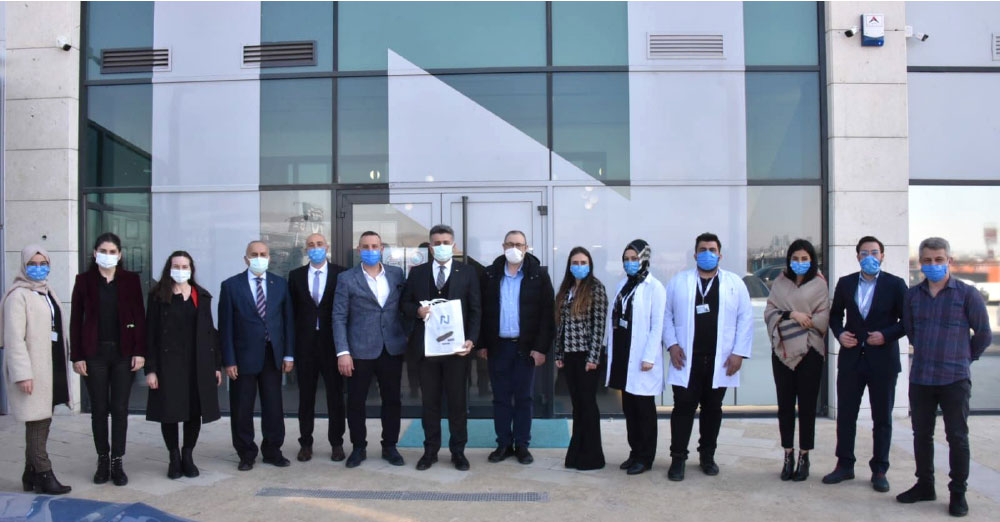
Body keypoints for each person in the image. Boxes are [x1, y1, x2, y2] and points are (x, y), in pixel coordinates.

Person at [898, 237, 991, 517]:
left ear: (949, 261)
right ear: (920, 263)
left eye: (939, 260)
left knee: (957, 437)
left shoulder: (967, 294)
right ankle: (925, 485)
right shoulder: (912, 296)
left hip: (954, 379)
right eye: (928, 260)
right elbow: (911, 332)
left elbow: (984, 334)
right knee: (921, 435)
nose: (933, 264)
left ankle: (958, 493)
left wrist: (964, 358)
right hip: (922, 378)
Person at [662, 232, 752, 481]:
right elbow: (666, 315)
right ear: (695, 254)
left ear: (720, 255)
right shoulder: (679, 281)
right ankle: (678, 458)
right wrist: (672, 345)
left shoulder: (734, 283)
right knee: (683, 409)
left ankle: (707, 456)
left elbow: (745, 318)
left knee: (713, 409)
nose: (707, 254)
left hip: (719, 360)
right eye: (703, 250)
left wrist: (738, 353)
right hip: (686, 359)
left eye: (712, 250)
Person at [822, 236, 907, 493]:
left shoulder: (895, 284)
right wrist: (840, 334)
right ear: (857, 256)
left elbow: (907, 321)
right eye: (864, 253)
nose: (869, 257)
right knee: (846, 415)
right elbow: (835, 316)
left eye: (874, 252)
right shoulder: (846, 283)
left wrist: (886, 335)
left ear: (882, 256)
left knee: (882, 417)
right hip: (851, 360)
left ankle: (879, 469)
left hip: (883, 361)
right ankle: (844, 464)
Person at [401, 225, 482, 471]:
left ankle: (458, 452)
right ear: (430, 247)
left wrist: (472, 339)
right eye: (437, 243)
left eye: (446, 242)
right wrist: (417, 310)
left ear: (453, 245)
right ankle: (430, 451)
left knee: (457, 404)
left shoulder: (467, 272)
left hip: (456, 351)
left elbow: (476, 310)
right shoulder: (417, 273)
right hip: (427, 351)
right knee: (430, 404)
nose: (441, 246)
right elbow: (404, 303)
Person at [70, 232, 146, 486]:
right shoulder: (83, 281)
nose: (108, 255)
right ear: (95, 253)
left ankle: (117, 461)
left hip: (124, 353)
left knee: (120, 409)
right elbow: (75, 320)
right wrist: (77, 356)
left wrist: (140, 351)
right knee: (99, 409)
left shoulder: (131, 280)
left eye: (112, 252)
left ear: (120, 255)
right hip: (94, 354)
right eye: (103, 251)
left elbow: (139, 316)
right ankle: (103, 459)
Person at [333, 231, 408, 468]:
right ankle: (359, 447)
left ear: (382, 248)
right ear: (359, 250)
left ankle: (390, 446)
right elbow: (339, 316)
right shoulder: (346, 278)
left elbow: (403, 307)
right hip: (359, 350)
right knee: (356, 402)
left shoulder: (396, 274)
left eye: (375, 246)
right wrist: (343, 352)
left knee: (392, 400)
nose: (370, 250)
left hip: (391, 348)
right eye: (365, 247)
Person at [479, 230, 554, 465]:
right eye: (510, 244)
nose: (514, 248)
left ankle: (522, 445)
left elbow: (547, 316)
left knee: (524, 398)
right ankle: (503, 443)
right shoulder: (490, 274)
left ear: (526, 247)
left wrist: (541, 348)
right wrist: (482, 343)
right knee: (500, 398)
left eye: (519, 244)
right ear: (503, 247)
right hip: (498, 347)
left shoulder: (538, 275)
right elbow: (481, 311)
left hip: (525, 348)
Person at [2, 245, 73, 494]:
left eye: (43, 263)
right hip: (33, 370)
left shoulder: (46, 291)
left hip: (50, 366)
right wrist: (22, 374)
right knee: (37, 421)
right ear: (24, 265)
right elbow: (14, 339)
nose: (39, 268)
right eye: (33, 263)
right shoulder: (17, 296)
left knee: (43, 419)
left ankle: (29, 473)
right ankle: (44, 473)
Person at [145, 251, 222, 479]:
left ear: (191, 269)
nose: (180, 270)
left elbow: (210, 332)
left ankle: (188, 454)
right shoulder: (158, 296)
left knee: (193, 412)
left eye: (184, 266)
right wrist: (151, 369)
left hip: (197, 363)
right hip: (168, 365)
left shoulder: (201, 296)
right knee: (169, 412)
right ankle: (174, 456)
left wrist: (216, 365)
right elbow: (150, 334)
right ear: (169, 269)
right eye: (176, 266)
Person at [219, 240, 295, 471]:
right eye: (254, 254)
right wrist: (229, 360)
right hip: (243, 358)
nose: (259, 258)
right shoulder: (231, 286)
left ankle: (273, 451)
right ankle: (246, 453)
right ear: (246, 259)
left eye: (263, 254)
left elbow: (288, 322)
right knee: (242, 408)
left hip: (272, 355)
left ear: (269, 258)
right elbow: (225, 326)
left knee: (274, 407)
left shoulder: (280, 284)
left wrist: (289, 355)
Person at [764, 239, 829, 482]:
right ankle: (788, 454)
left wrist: (803, 320)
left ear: (811, 260)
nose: (799, 263)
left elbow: (823, 317)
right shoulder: (779, 283)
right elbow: (769, 311)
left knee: (808, 407)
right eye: (795, 259)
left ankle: (804, 456)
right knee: (785, 406)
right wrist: (793, 314)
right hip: (782, 352)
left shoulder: (820, 284)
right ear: (789, 260)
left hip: (810, 351)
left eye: (804, 259)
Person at [606, 240, 664, 475]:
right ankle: (634, 452)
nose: (629, 263)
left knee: (644, 410)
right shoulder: (623, 284)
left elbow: (657, 325)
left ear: (644, 259)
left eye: (634, 259)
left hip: (642, 358)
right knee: (629, 408)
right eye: (626, 259)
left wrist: (649, 356)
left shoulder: (655, 288)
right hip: (623, 353)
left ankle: (645, 457)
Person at [288, 233, 347, 463]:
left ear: (327, 247)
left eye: (319, 244)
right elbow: (291, 313)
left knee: (335, 397)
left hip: (332, 345)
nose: (315, 248)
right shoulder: (295, 276)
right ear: (306, 250)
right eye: (311, 245)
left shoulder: (341, 274)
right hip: (305, 346)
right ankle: (305, 443)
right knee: (306, 397)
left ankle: (337, 443)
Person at [555, 246, 609, 471]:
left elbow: (599, 326)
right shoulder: (567, 289)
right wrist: (559, 354)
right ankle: (576, 453)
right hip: (570, 355)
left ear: (590, 265)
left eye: (583, 263)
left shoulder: (596, 288)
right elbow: (561, 325)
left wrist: (593, 357)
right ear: (570, 266)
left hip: (587, 356)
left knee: (587, 405)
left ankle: (593, 457)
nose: (579, 267)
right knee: (577, 405)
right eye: (575, 263)